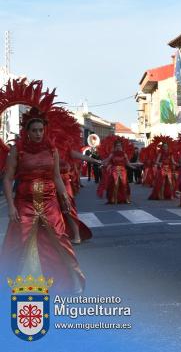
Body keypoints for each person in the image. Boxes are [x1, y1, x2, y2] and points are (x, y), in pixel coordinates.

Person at [0, 80, 85, 293]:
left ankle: (70, 281)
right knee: (20, 242)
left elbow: (56, 176)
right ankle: (16, 284)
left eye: (41, 129)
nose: (38, 133)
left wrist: (64, 195)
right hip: (24, 202)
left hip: (49, 201)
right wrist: (10, 206)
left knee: (59, 239)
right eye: (34, 130)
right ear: (27, 131)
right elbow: (8, 178)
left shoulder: (52, 150)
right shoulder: (17, 151)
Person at [98, 139, 137, 204]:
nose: (118, 147)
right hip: (114, 171)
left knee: (124, 185)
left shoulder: (124, 154)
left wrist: (133, 167)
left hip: (123, 171)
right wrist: (101, 164)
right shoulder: (112, 154)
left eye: (119, 146)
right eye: (117, 146)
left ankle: (125, 199)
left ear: (122, 146)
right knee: (115, 184)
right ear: (115, 147)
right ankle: (113, 199)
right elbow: (107, 160)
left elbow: (127, 163)